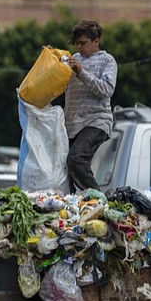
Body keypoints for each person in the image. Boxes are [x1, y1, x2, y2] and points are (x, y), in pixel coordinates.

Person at [64, 20, 117, 192]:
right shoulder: (73, 60)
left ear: (96, 41)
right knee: (66, 171)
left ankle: (100, 200)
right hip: (72, 124)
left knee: (76, 159)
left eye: (83, 43)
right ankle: (72, 207)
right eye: (76, 43)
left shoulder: (107, 61)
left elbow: (106, 89)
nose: (79, 47)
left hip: (96, 121)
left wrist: (81, 72)